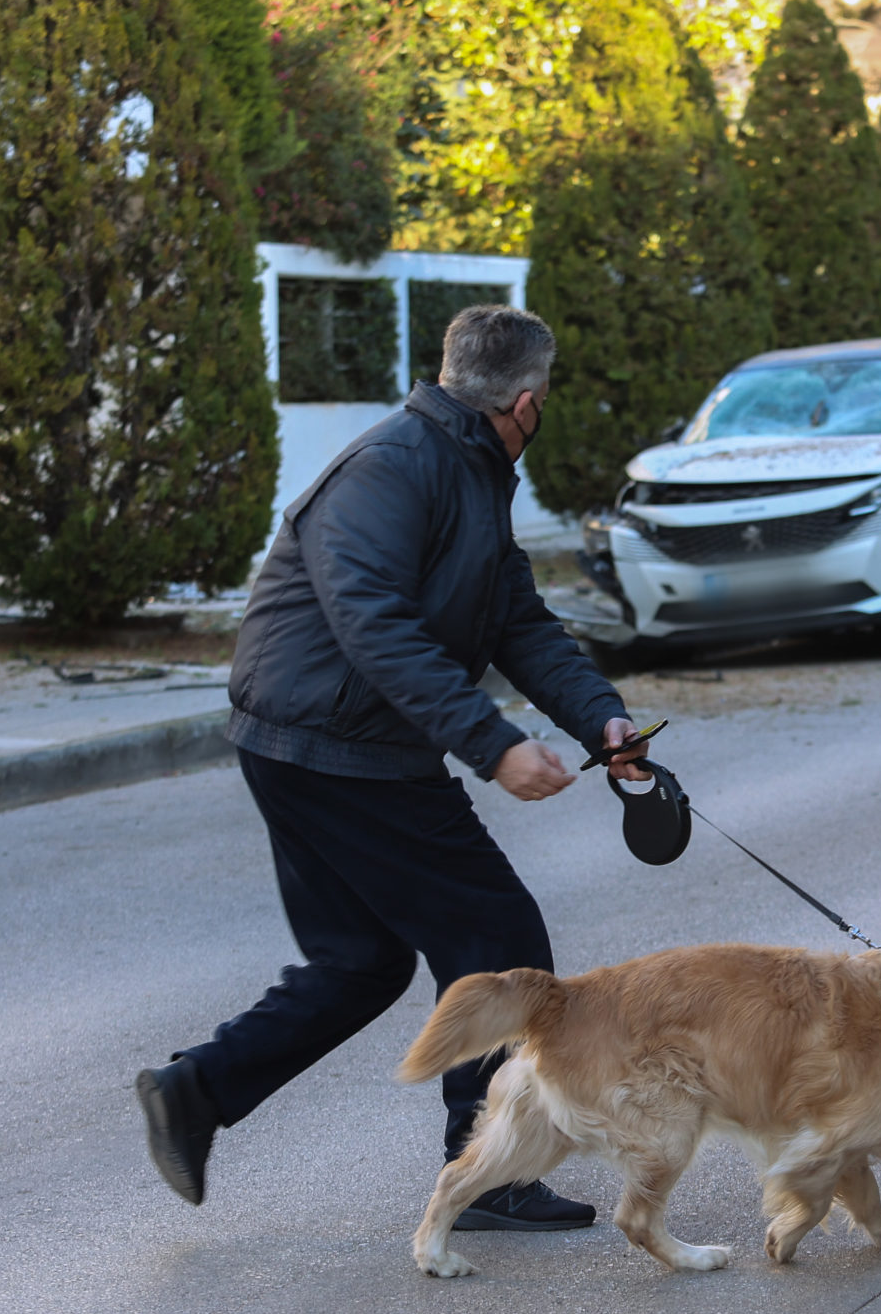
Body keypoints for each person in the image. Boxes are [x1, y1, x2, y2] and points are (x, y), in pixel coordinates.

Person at [135, 302, 650, 1228]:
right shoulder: (395, 466)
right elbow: (374, 624)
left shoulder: (470, 471)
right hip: (335, 745)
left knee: (362, 961)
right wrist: (493, 743)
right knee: (497, 937)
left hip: (327, 740)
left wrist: (602, 719)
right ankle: (489, 1170)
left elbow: (519, 623)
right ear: (525, 402)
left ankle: (194, 1090)